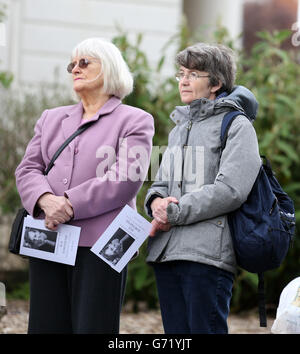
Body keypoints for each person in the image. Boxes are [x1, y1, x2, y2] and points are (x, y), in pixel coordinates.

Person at [15, 37, 154, 334]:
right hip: (49, 236)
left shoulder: (135, 120)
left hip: (104, 243)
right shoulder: (51, 118)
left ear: (110, 69)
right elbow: (28, 168)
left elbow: (126, 178)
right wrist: (45, 200)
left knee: (94, 326)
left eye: (84, 62)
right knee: (45, 325)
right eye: (72, 64)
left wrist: (68, 203)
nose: (75, 69)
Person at [144, 43, 262, 334]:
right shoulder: (178, 129)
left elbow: (231, 189)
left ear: (216, 83)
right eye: (181, 73)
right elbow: (160, 183)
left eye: (194, 74)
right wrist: (155, 202)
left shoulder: (237, 125)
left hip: (207, 255)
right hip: (166, 252)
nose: (183, 80)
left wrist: (174, 212)